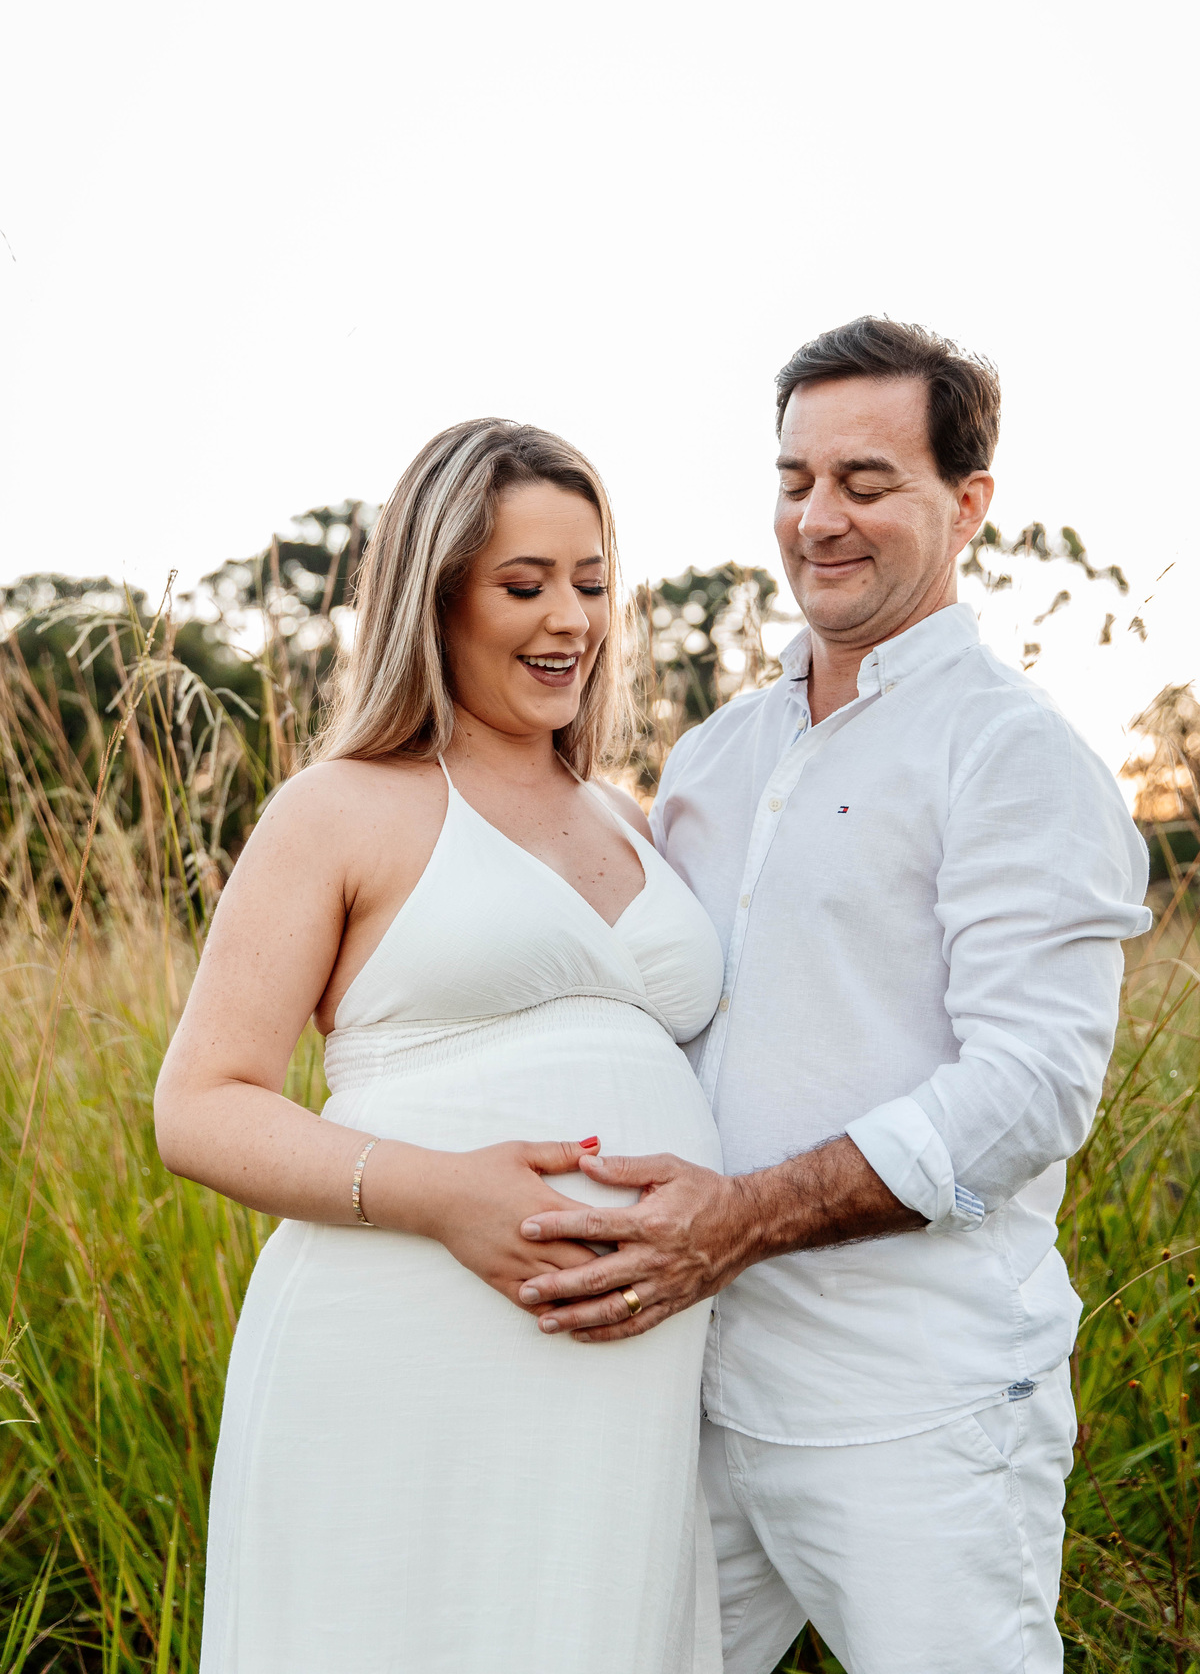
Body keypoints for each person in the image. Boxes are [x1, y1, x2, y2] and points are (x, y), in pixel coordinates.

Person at [515, 318, 1152, 1674]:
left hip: (917, 1408)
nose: (820, 519)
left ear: (967, 502)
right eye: (796, 480)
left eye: (868, 482)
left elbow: (1032, 1092)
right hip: (683, 1387)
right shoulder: (715, 757)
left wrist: (736, 1223)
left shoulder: (1015, 759)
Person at [154, 419, 727, 1674]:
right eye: (524, 585)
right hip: (402, 1330)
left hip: (622, 1373)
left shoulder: (630, 818)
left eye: (590, 582)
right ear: (436, 596)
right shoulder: (343, 805)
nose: (568, 618)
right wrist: (446, 1195)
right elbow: (198, 1103)